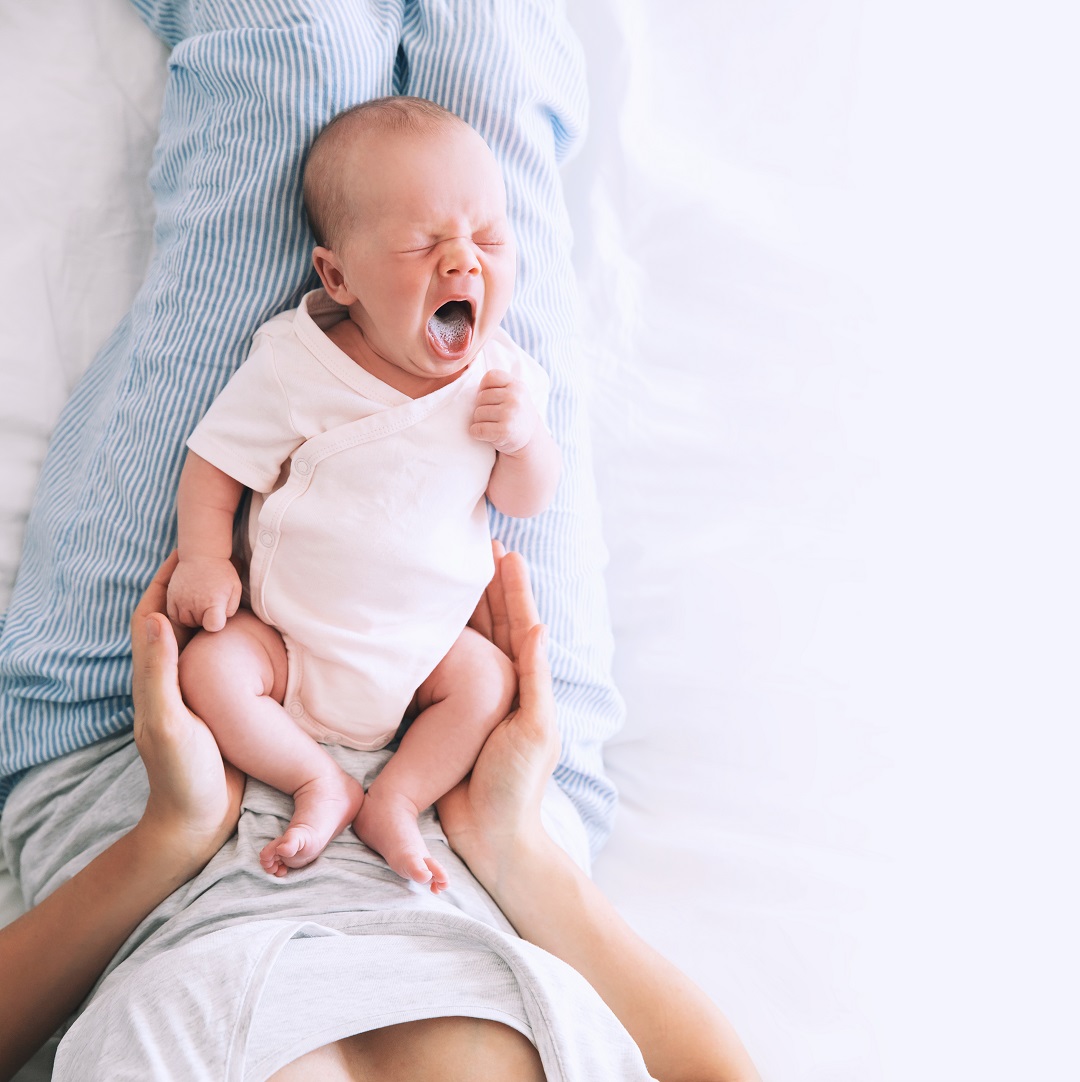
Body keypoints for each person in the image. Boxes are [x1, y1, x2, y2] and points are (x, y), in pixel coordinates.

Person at [0, 550, 762, 1082]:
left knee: (213, 338)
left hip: (134, 735)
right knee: (490, 370)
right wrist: (512, 847)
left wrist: (171, 836)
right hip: (488, 761)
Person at [166, 98, 560, 890]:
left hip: (425, 651)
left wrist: (525, 440)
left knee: (491, 682)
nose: (464, 263)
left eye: (488, 239)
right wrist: (207, 557)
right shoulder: (297, 364)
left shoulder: (505, 380)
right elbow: (216, 461)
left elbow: (524, 500)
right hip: (288, 638)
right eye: (423, 245)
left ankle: (399, 797)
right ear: (338, 275)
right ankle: (320, 780)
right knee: (209, 670)